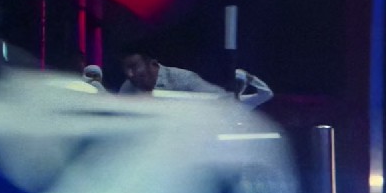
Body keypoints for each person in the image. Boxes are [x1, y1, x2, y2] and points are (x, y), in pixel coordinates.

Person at [117, 50, 273, 108]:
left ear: (152, 64)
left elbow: (216, 98)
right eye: (126, 69)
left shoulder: (183, 79)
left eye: (134, 67)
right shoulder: (127, 87)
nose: (130, 74)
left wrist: (248, 80)